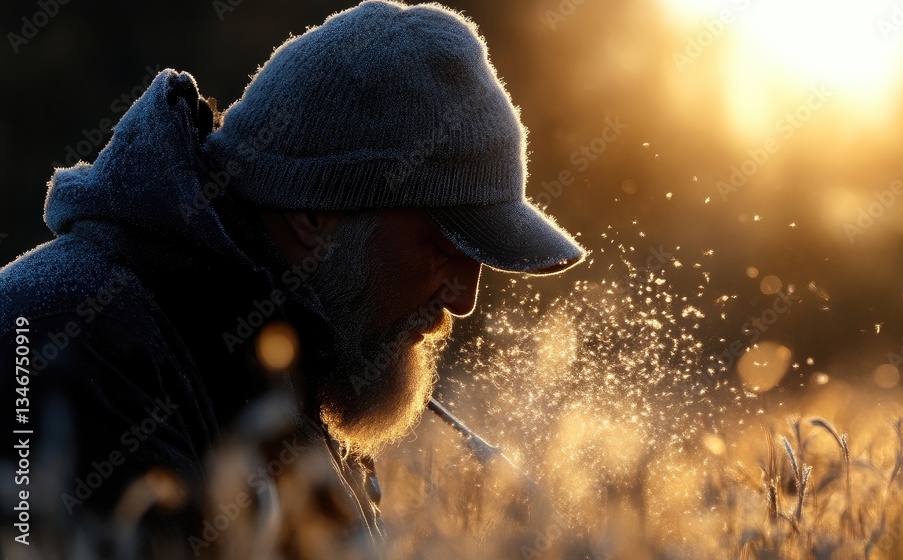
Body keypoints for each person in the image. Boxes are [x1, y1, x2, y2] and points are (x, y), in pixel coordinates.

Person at [0, 0, 585, 556]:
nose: (464, 298)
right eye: (441, 249)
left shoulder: (279, 348)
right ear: (311, 215)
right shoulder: (68, 344)